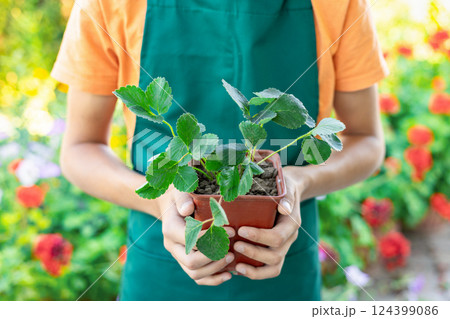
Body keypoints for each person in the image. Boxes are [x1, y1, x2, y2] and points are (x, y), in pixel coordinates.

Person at [52, 0, 388, 300]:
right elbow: (80, 148)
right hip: (163, 265)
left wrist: (300, 182)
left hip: (285, 272)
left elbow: (366, 139)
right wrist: (159, 201)